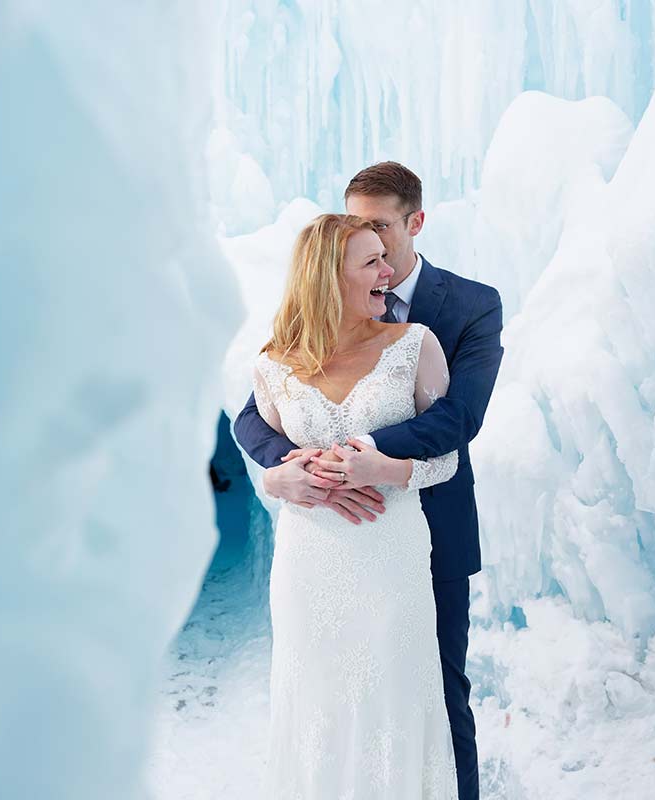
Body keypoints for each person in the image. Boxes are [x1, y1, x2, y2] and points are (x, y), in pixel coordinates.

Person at [235, 162, 504, 800]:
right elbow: (254, 417)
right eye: (357, 230)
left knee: (437, 699)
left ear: (414, 223)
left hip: (422, 532)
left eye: (380, 228)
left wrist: (364, 456)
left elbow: (458, 420)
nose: (372, 246)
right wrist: (288, 472)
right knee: (320, 707)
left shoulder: (467, 308)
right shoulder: (293, 337)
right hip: (317, 551)